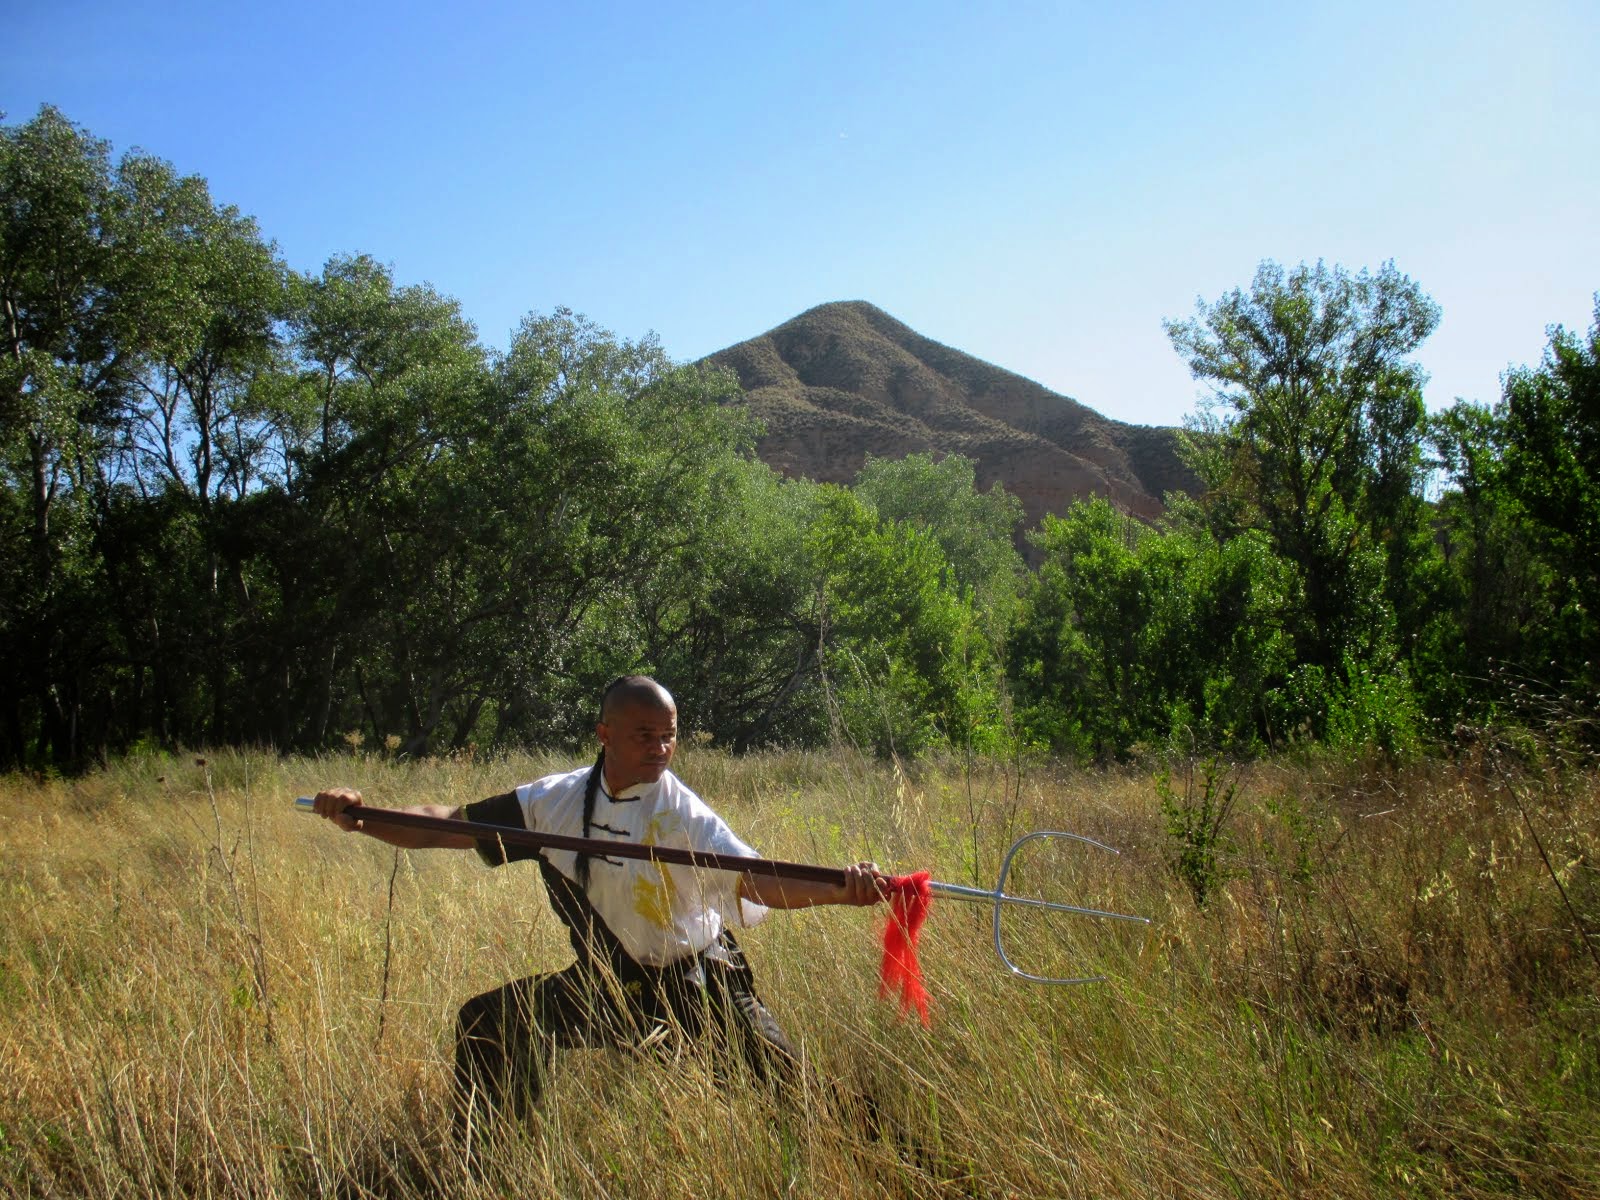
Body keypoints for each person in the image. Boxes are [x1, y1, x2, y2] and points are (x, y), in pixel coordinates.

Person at [311, 675, 885, 1138]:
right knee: (489, 1023)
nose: (660, 749)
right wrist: (364, 817)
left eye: (669, 735)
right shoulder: (550, 803)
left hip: (700, 983)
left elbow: (757, 882)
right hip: (606, 987)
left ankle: (913, 1161)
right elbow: (446, 827)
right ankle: (492, 1160)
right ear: (604, 733)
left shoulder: (685, 815)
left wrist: (842, 890)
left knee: (798, 1094)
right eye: (644, 735)